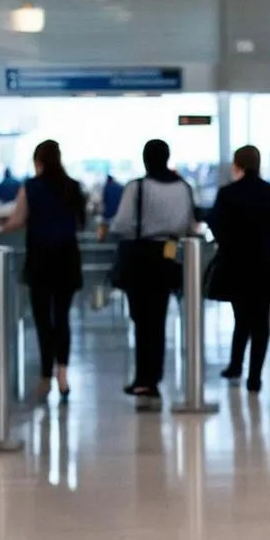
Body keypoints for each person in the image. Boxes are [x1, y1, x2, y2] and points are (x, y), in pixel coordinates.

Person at [109, 139, 196, 410]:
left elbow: (122, 223)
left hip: (140, 257)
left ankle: (144, 378)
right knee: (157, 318)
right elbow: (188, 223)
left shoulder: (138, 187)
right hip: (168, 256)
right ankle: (151, 377)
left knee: (141, 319)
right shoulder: (183, 187)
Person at [0, 141, 86, 404]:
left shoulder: (31, 187)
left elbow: (18, 220)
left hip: (40, 260)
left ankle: (45, 377)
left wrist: (1, 228)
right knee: (62, 317)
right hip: (67, 259)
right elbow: (79, 222)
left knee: (42, 319)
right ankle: (63, 375)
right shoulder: (72, 187)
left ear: (39, 161)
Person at [208, 145, 270, 393]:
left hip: (236, 265)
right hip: (267, 267)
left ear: (237, 165)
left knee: (241, 316)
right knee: (261, 322)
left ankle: (235, 365)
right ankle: (254, 376)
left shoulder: (227, 193)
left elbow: (217, 226)